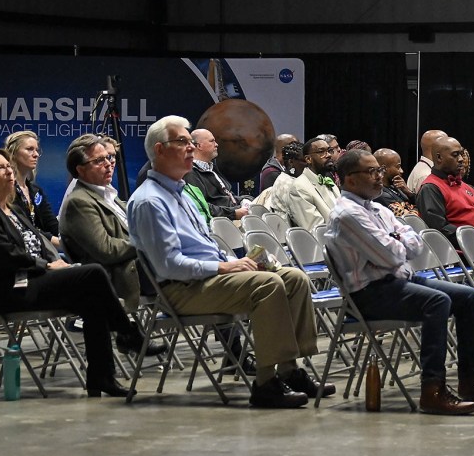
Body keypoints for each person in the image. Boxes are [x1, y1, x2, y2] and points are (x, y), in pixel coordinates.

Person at [127, 115, 327, 408]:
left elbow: (205, 246)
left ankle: (290, 369)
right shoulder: (149, 201)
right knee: (269, 285)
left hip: (207, 279)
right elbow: (168, 265)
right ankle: (265, 383)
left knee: (293, 278)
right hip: (180, 289)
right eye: (182, 142)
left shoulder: (182, 192)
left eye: (192, 142)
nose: (191, 149)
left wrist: (240, 261)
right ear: (159, 150)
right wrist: (225, 267)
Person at [326, 148, 474, 414]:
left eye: (379, 170)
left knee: (467, 296)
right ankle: (432, 390)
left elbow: (415, 243)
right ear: (350, 179)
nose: (380, 177)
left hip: (396, 282)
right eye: (372, 171)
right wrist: (397, 243)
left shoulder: (376, 207)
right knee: (437, 301)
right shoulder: (347, 215)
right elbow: (391, 254)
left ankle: (470, 379)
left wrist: (396, 243)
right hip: (369, 294)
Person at [0, 147, 147, 398]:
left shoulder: (14, 210)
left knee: (92, 299)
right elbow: (5, 256)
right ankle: (128, 333)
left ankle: (101, 378)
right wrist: (47, 265)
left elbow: (41, 243)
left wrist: (54, 260)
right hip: (9, 291)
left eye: (8, 165)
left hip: (34, 282)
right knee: (93, 273)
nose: (8, 170)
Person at [59, 135, 140, 311]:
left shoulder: (110, 195)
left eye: (109, 158)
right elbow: (106, 250)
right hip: (122, 275)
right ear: (80, 169)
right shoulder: (79, 202)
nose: (109, 164)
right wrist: (146, 244)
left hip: (139, 265)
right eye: (99, 160)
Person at [415, 135, 474, 240]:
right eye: (455, 155)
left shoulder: (468, 187)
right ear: (439, 158)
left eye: (461, 154)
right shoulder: (430, 188)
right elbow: (439, 229)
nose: (461, 159)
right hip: (464, 250)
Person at [271, 134, 339, 230]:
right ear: (308, 159)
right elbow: (316, 230)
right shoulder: (299, 187)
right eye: (321, 152)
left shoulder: (328, 180)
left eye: (329, 151)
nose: (328, 155)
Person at [3, 131, 60, 242]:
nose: (36, 154)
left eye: (37, 150)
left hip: (41, 250)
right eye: (29, 149)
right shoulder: (5, 190)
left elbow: (51, 224)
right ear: (13, 153)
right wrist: (56, 242)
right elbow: (22, 228)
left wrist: (70, 239)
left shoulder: (35, 190)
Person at [189, 128, 248, 220]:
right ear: (199, 146)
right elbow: (203, 207)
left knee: (268, 193)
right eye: (212, 141)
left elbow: (229, 195)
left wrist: (244, 200)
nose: (216, 145)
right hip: (224, 222)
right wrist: (234, 213)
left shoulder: (213, 168)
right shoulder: (191, 173)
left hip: (237, 213)